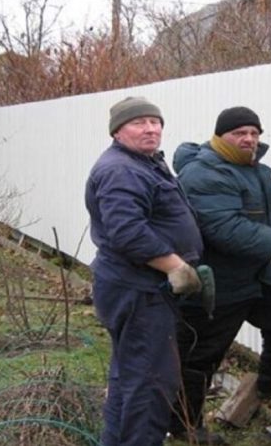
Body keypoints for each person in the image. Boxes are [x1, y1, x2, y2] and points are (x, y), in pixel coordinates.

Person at [169, 106, 271, 441]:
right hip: (214, 284)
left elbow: (263, 202)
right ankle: (184, 426)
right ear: (220, 136)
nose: (249, 138)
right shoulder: (203, 173)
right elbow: (226, 227)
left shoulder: (246, 166)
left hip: (252, 276)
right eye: (240, 133)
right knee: (199, 359)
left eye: (254, 133)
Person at [84, 96, 204, 446]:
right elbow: (127, 232)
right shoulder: (122, 169)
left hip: (137, 288)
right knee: (151, 383)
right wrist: (176, 266)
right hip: (137, 291)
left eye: (156, 122)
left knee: (129, 378)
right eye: (140, 123)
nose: (151, 129)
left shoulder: (144, 163)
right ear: (118, 131)